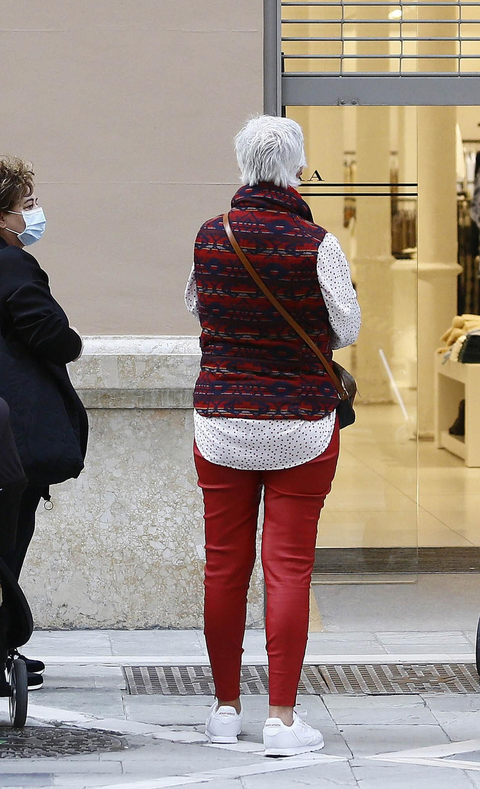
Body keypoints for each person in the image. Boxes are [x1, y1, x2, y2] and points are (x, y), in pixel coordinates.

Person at [184, 116, 358, 757]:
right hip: (301, 429)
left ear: (242, 166)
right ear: (296, 168)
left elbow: (195, 304)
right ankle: (282, 718)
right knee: (288, 571)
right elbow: (349, 326)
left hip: (223, 423)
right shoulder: (318, 244)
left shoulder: (210, 238)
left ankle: (225, 709)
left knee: (224, 567)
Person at [0, 157, 88, 686]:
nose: (35, 214)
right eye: (27, 206)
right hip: (10, 434)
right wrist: (71, 343)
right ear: (1, 216)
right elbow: (47, 330)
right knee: (4, 545)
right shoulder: (11, 265)